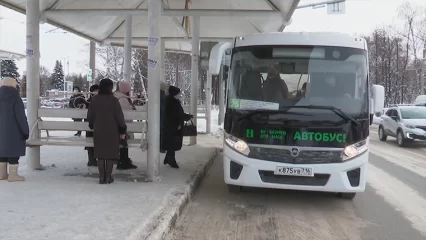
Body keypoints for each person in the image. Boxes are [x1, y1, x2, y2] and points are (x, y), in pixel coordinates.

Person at [87, 78, 127, 184]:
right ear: (110, 87)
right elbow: (119, 116)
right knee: (110, 154)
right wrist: (122, 128)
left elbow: (90, 115)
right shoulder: (113, 100)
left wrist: (91, 123)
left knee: (100, 154)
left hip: (98, 129)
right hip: (112, 130)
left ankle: (101, 178)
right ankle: (108, 177)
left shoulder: (95, 99)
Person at [0, 77, 29, 182]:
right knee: (13, 152)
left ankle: (1, 174)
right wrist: (25, 131)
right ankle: (13, 175)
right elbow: (20, 117)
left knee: (1, 151)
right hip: (14, 132)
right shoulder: (15, 98)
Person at [163, 86, 193, 169]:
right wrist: (184, 118)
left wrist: (186, 116)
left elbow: (178, 114)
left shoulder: (172, 101)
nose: (179, 95)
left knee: (172, 143)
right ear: (174, 93)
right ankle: (171, 160)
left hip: (173, 126)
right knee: (172, 143)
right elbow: (174, 115)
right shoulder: (171, 102)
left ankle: (168, 158)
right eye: (178, 93)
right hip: (172, 126)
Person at [114, 81, 137, 170]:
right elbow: (127, 115)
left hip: (117, 125)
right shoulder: (122, 98)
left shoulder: (116, 96)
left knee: (123, 141)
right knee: (124, 141)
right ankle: (123, 161)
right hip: (122, 126)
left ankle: (123, 159)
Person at [84, 84, 99, 167]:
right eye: (95, 91)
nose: (97, 92)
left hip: (93, 126)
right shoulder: (89, 102)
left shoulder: (89, 101)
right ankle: (92, 159)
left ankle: (92, 159)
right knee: (90, 138)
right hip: (91, 126)